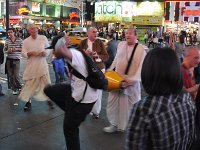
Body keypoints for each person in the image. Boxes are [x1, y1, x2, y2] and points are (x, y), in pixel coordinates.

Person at [126, 47, 196, 150]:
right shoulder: (186, 98)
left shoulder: (144, 109)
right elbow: (192, 137)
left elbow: (133, 146)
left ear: (148, 73)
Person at [51, 35, 98, 150]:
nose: (69, 39)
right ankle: (70, 111)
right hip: (83, 94)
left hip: (83, 98)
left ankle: (71, 112)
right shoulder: (76, 52)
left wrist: (60, 47)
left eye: (67, 39)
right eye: (66, 39)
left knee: (70, 128)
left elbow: (60, 53)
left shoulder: (73, 52)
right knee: (51, 90)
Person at [104, 28, 147, 133]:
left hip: (131, 82)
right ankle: (113, 124)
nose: (127, 35)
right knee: (113, 103)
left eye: (130, 33)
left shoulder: (142, 49)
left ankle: (126, 126)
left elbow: (142, 67)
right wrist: (109, 70)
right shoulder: (121, 44)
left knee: (130, 106)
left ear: (136, 35)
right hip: (117, 80)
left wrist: (132, 80)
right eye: (126, 33)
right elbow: (116, 59)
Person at [18, 24, 53, 111]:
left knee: (46, 83)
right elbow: (23, 53)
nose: (34, 31)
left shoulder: (43, 38)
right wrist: (31, 53)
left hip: (42, 65)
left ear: (37, 29)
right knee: (29, 85)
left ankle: (49, 99)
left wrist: (45, 53)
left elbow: (48, 48)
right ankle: (28, 102)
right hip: (32, 66)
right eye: (31, 29)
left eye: (35, 29)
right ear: (29, 31)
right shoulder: (26, 41)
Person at [79, 27, 108, 119]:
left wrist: (97, 56)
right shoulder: (83, 43)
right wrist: (85, 53)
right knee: (88, 90)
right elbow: (78, 55)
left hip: (99, 70)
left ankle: (96, 112)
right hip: (87, 70)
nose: (96, 34)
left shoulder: (100, 42)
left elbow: (106, 56)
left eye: (96, 32)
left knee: (98, 92)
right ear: (88, 33)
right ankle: (90, 109)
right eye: (93, 32)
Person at [4, 28, 22, 95]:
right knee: (11, 76)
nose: (9, 34)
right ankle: (14, 89)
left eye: (11, 32)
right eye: (8, 33)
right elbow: (4, 50)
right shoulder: (7, 40)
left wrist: (16, 49)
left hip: (16, 60)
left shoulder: (19, 40)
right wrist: (7, 51)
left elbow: (23, 49)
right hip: (9, 60)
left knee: (16, 75)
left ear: (14, 32)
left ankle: (19, 87)